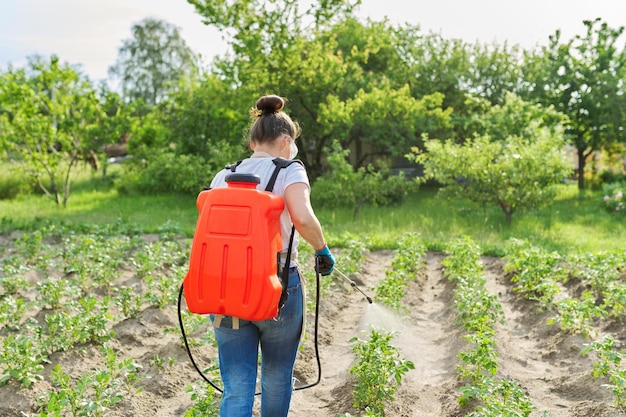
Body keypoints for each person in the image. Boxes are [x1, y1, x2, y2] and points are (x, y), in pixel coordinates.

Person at [208, 94, 335, 417]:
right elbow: (303, 218)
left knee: (236, 387)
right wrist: (322, 250)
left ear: (252, 142)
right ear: (285, 140)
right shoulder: (290, 170)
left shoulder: (223, 175)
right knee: (277, 378)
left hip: (226, 288)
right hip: (276, 288)